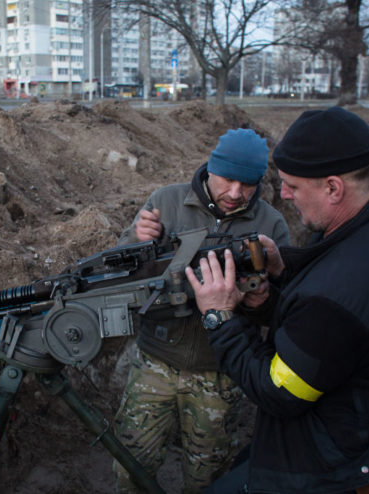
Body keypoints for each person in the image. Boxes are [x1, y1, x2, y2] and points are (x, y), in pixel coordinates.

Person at [186, 106, 369, 493]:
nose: (284, 194)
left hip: (360, 454)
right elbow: (331, 299)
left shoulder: (345, 291)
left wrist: (219, 318)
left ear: (333, 187)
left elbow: (278, 392)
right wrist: (283, 267)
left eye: (292, 185)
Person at [113, 128, 290, 493]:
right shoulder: (167, 201)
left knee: (208, 476)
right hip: (154, 364)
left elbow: (285, 309)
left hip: (221, 375)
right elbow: (116, 274)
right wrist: (135, 241)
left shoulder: (271, 226)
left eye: (248, 184)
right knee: (130, 465)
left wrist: (262, 303)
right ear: (211, 167)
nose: (236, 193)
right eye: (227, 179)